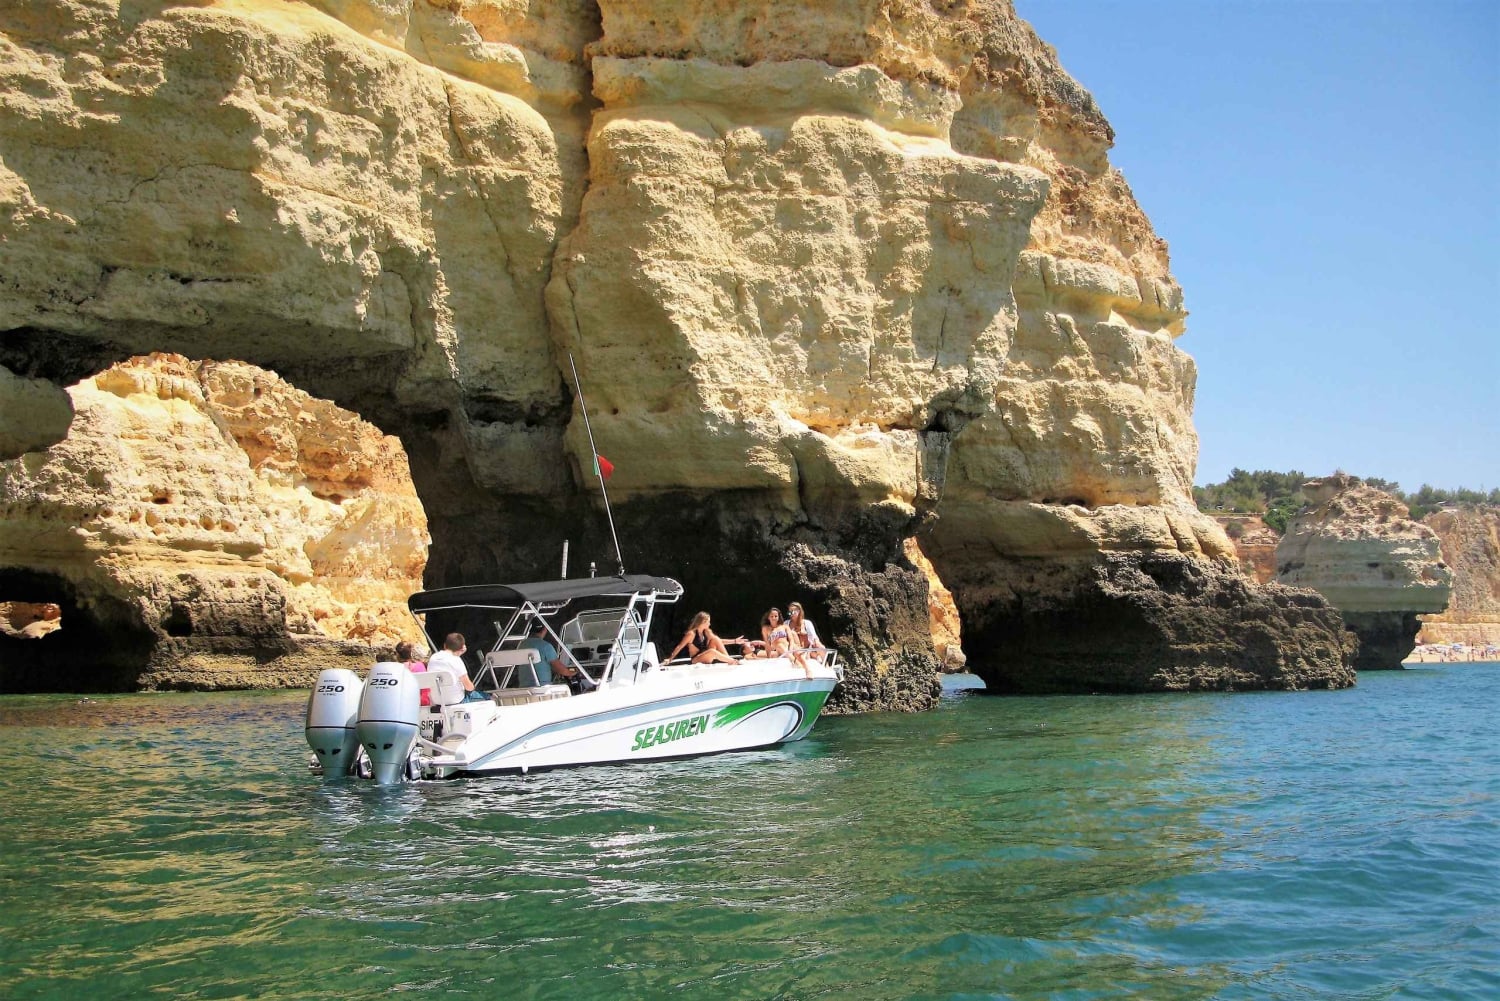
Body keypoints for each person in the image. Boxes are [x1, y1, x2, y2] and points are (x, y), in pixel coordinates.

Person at [428, 632, 489, 702]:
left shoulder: (433, 658)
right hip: (456, 701)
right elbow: (468, 687)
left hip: (437, 701)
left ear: (445, 645)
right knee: (486, 697)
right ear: (462, 648)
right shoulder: (456, 660)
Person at [666, 611, 741, 665]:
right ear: (702, 622)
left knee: (716, 639)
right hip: (696, 659)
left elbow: (720, 642)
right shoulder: (691, 634)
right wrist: (670, 659)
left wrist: (734, 641)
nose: (710, 624)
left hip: (706, 655)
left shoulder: (706, 632)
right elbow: (680, 646)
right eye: (708, 622)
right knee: (712, 651)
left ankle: (729, 660)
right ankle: (732, 661)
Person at [518, 622, 579, 686]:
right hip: (542, 687)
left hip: (523, 686)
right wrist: (575, 673)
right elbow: (561, 669)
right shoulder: (545, 646)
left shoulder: (522, 645)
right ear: (544, 630)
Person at [397, 640, 430, 707]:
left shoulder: (396, 669)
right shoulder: (420, 666)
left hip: (402, 703)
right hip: (421, 702)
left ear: (398, 655)